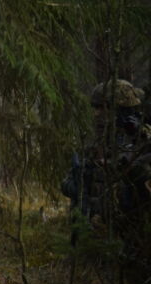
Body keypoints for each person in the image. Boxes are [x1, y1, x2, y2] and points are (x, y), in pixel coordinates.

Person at [63, 79, 151, 224]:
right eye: (95, 108)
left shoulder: (143, 140)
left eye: (102, 108)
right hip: (97, 227)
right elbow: (67, 183)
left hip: (131, 227)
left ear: (119, 109)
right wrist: (79, 187)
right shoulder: (97, 144)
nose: (96, 114)